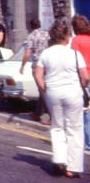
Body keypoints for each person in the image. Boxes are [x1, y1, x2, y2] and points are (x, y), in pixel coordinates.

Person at [34, 19, 89, 178]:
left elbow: (38, 76)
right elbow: (85, 77)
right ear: (66, 35)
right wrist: (82, 86)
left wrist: (45, 89)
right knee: (75, 129)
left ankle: (60, 161)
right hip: (73, 93)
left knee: (57, 127)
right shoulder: (74, 54)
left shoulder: (46, 53)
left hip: (53, 92)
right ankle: (73, 167)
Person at [21, 17, 51, 123]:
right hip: (49, 65)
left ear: (30, 26)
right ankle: (37, 113)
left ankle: (50, 116)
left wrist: (22, 66)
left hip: (38, 65)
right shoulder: (47, 34)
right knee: (43, 90)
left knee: (43, 91)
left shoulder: (31, 36)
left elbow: (27, 53)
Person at [72, 14, 90, 149]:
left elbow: (75, 61)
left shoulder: (76, 40)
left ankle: (87, 142)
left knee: (85, 111)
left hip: (84, 78)